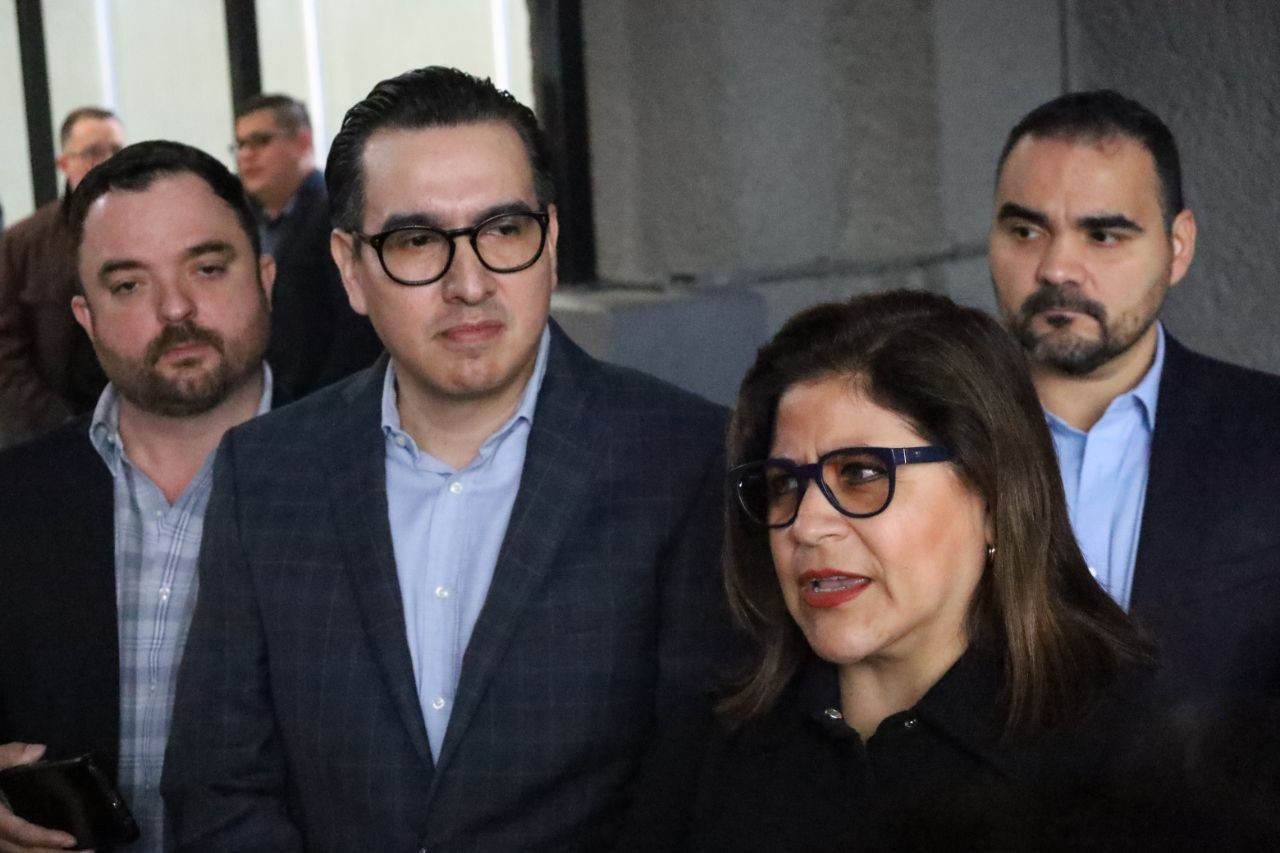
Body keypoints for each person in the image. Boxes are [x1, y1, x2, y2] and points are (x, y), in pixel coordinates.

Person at [163, 66, 735, 851]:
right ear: (351, 269)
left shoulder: (683, 457)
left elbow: (698, 791)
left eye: (504, 230)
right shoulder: (266, 474)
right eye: (417, 241)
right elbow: (219, 783)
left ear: (552, 241)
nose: (469, 283)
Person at [616, 289, 1235, 849]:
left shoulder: (1134, 754)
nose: (806, 525)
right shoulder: (712, 744)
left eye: (860, 475)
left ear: (992, 494)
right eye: (784, 485)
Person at [0, 140, 278, 852]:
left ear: (266, 277)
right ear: (85, 316)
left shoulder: (369, 488)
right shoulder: (14, 500)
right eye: (128, 285)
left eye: (207, 268)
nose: (176, 307)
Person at [987, 90, 1280, 703]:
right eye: (1025, 229)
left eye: (1103, 235)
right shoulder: (921, 438)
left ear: (1178, 247)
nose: (1057, 268)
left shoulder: (1265, 434)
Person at [232, 93, 381, 399]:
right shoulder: (245, 220)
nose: (246, 155)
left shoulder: (336, 212)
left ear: (301, 142)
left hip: (325, 398)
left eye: (260, 141)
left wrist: (323, 402)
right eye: (240, 145)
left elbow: (354, 328)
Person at [0, 107, 122, 447]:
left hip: (141, 421)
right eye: (94, 152)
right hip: (50, 428)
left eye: (116, 150)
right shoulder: (23, 243)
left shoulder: (148, 232)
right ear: (64, 164)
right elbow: (6, 351)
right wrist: (58, 422)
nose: (108, 161)